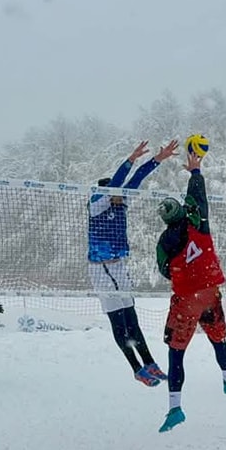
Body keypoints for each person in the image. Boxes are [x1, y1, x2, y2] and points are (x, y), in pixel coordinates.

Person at [155, 139, 226, 433]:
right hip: (209, 294)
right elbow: (199, 200)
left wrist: (181, 272)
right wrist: (195, 171)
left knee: (176, 353)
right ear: (181, 212)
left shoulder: (164, 242)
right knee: (218, 340)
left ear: (164, 220)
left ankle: (175, 407)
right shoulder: (198, 223)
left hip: (186, 299)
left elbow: (164, 271)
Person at [88, 139, 179, 387]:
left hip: (118, 266)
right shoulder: (96, 205)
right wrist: (130, 158)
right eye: (115, 195)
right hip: (100, 268)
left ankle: (149, 363)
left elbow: (136, 180)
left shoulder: (121, 201)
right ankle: (137, 368)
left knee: (132, 318)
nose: (120, 197)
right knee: (119, 322)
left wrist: (158, 159)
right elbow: (119, 182)